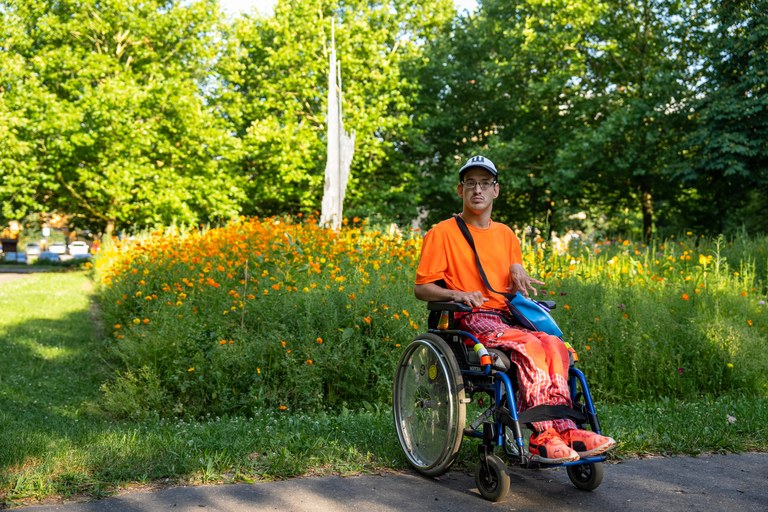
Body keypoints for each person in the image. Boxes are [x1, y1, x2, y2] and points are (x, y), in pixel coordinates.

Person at [414, 155, 616, 463]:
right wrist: (459, 293)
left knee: (553, 344)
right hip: (470, 319)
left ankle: (567, 428)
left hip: (507, 317)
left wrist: (518, 268)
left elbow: (508, 267)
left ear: (496, 190)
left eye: (484, 183)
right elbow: (422, 288)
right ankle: (542, 435)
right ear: (460, 190)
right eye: (470, 183)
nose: (477, 190)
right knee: (528, 346)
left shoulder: (506, 234)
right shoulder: (442, 233)